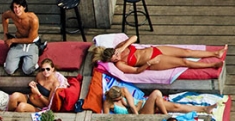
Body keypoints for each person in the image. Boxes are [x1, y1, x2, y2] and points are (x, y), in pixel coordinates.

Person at [92, 35, 225, 74]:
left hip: (155, 50)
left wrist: (122, 48)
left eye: (115, 55)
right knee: (184, 62)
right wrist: (149, 63)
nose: (117, 58)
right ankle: (213, 65)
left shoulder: (120, 48)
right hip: (153, 61)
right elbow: (136, 71)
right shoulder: (120, 64)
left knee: (186, 52)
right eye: (114, 59)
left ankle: (215, 53)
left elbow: (135, 37)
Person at [103, 86, 213, 117]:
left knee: (175, 106)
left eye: (122, 97)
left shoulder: (123, 90)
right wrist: (137, 115)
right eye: (119, 99)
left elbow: (132, 105)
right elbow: (106, 118)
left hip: (143, 106)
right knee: (156, 93)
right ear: (113, 99)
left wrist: (137, 104)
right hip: (140, 114)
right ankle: (166, 115)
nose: (121, 98)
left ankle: (204, 108)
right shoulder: (108, 104)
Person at [1, 0, 41, 75]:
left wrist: (12, 40)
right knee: (9, 70)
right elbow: (4, 16)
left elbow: (30, 39)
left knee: (27, 70)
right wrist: (5, 33)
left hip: (32, 43)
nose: (17, 9)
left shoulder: (33, 19)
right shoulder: (12, 14)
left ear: (24, 7)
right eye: (15, 7)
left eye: (19, 7)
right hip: (18, 41)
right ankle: (20, 60)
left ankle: (38, 51)